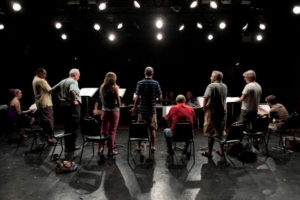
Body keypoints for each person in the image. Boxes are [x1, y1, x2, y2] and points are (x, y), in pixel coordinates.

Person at [131, 66, 162, 152]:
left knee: (140, 128)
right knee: (152, 129)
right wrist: (155, 99)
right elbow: (160, 96)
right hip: (152, 110)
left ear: (144, 73)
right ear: (152, 73)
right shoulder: (156, 83)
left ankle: (138, 147)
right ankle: (153, 147)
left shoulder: (140, 83)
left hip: (142, 110)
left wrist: (134, 108)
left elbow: (136, 97)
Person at [52, 68, 81, 152]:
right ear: (75, 75)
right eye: (78, 75)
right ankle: (72, 146)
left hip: (63, 105)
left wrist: (60, 99)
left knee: (67, 126)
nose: (79, 77)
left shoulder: (63, 81)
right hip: (71, 106)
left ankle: (67, 146)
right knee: (74, 126)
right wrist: (73, 101)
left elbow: (52, 90)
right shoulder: (74, 82)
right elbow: (72, 91)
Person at [201, 71, 228, 159]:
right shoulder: (224, 86)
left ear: (215, 77)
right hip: (222, 113)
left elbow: (206, 97)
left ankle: (209, 151)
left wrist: (204, 107)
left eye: (211, 76)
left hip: (213, 113)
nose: (210, 78)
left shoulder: (211, 86)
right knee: (220, 132)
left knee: (210, 132)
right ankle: (221, 150)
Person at [98, 72, 121, 156]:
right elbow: (118, 101)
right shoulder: (115, 87)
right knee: (112, 131)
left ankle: (100, 148)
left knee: (103, 130)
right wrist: (119, 106)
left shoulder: (101, 87)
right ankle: (110, 150)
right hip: (114, 111)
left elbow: (101, 99)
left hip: (105, 111)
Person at [32, 68, 54, 144]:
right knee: (48, 121)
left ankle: (45, 137)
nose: (45, 75)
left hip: (40, 104)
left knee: (43, 122)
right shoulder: (41, 80)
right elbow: (50, 91)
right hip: (46, 103)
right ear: (39, 72)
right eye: (44, 74)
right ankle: (50, 138)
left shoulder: (34, 79)